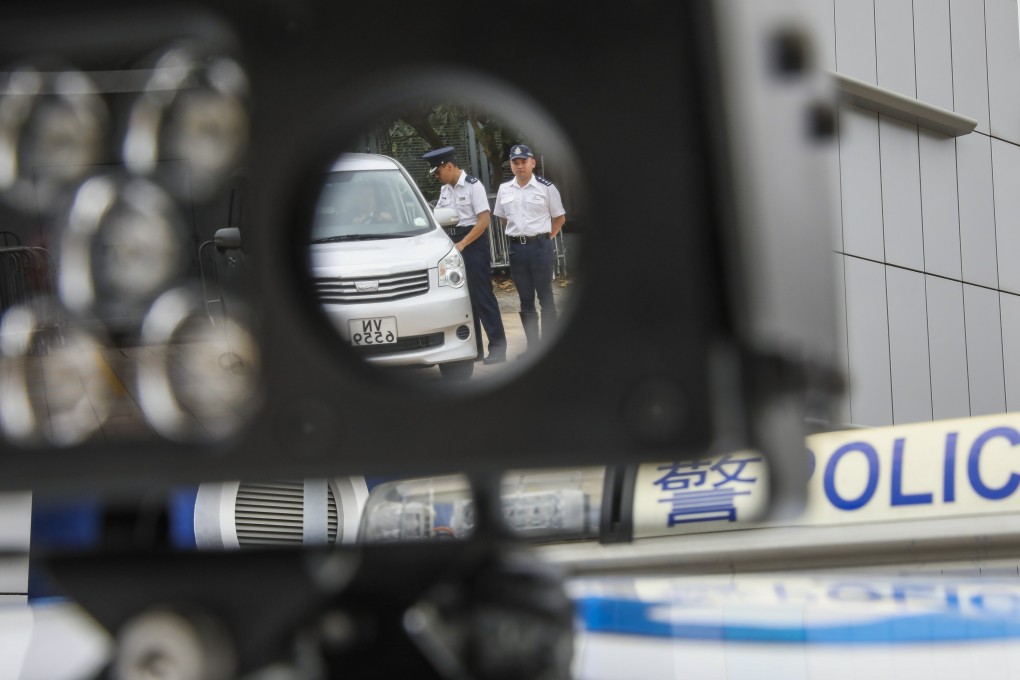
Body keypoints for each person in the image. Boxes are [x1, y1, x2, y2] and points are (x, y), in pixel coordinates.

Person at [423, 146, 507, 364]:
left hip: (472, 243)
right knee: (463, 300)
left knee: (482, 297)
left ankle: (498, 347)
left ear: (449, 166)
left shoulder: (473, 186)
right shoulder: (445, 190)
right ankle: (474, 349)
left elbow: (484, 221)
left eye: (438, 172)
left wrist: (463, 244)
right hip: (453, 244)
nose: (437, 177)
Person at [492, 144, 566, 357]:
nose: (519, 166)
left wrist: (545, 238)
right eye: (515, 162)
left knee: (545, 296)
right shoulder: (505, 189)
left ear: (532, 162)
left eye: (523, 161)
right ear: (511, 165)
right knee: (525, 299)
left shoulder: (546, 187)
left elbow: (559, 218)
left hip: (540, 247)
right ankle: (533, 349)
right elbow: (504, 220)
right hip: (517, 249)